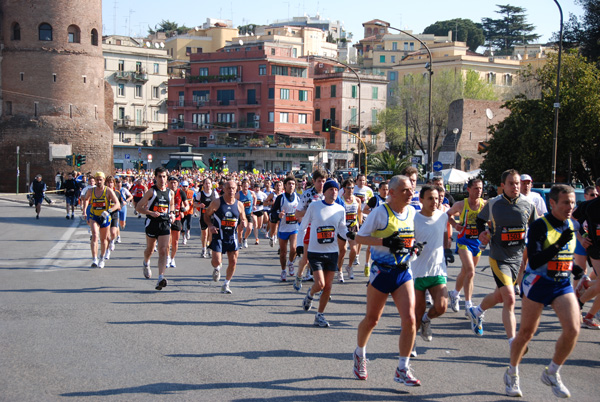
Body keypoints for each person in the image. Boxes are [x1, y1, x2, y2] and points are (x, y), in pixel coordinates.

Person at [504, 184, 581, 398]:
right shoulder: (540, 225)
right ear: (553, 203)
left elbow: (565, 253)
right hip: (538, 282)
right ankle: (512, 372)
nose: (570, 207)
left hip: (561, 283)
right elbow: (536, 259)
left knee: (574, 328)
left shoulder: (571, 225)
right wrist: (558, 246)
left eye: (573, 203)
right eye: (566, 202)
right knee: (527, 332)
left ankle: (552, 372)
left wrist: (573, 267)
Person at [353, 175, 423, 387]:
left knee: (410, 319)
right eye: (405, 190)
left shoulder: (412, 212)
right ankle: (360, 353)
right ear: (391, 192)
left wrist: (414, 247)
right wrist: (384, 241)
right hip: (382, 272)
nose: (410, 193)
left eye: (411, 189)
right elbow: (359, 238)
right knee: (372, 320)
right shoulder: (380, 212)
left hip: (403, 271)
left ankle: (402, 368)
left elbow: (411, 238)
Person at [467, 170, 537, 340]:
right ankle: (513, 342)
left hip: (517, 258)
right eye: (511, 183)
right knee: (510, 298)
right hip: (499, 257)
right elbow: (480, 221)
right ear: (503, 185)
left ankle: (476, 311)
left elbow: (535, 229)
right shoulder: (493, 203)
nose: (515, 187)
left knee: (499, 295)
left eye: (517, 183)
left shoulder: (528, 204)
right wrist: (483, 232)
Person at [300, 179, 348, 327]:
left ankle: (319, 315)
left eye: (336, 189)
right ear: (325, 192)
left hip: (332, 252)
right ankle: (310, 294)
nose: (334, 191)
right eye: (331, 189)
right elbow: (303, 226)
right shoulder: (314, 206)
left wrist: (350, 235)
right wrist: (300, 245)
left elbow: (342, 229)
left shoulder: (340, 209)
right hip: (315, 251)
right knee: (320, 284)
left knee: (328, 287)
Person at [412, 185, 448, 351]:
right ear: (421, 200)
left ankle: (427, 320)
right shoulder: (414, 219)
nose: (434, 201)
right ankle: (410, 345)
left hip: (437, 270)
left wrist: (448, 249)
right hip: (417, 272)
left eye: (437, 198)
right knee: (416, 314)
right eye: (430, 198)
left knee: (442, 306)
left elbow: (447, 233)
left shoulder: (443, 216)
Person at [446, 178, 486, 313]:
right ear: (468, 189)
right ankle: (468, 304)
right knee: (470, 271)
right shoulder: (460, 205)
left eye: (480, 188)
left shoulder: (484, 205)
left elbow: (491, 220)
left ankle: (455, 293)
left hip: (477, 242)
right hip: (464, 241)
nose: (479, 191)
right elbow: (448, 215)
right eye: (475, 188)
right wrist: (455, 225)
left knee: (465, 272)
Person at [204, 179, 248, 294]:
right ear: (224, 189)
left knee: (233, 262)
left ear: (236, 190)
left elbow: (244, 218)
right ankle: (217, 267)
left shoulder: (239, 205)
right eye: (228, 188)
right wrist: (210, 226)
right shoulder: (217, 202)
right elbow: (206, 215)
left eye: (233, 188)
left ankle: (226, 284)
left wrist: (244, 222)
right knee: (216, 261)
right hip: (218, 236)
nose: (231, 191)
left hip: (232, 237)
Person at [136, 167, 174, 290]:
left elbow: (171, 206)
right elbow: (138, 207)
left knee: (163, 250)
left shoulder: (170, 192)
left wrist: (172, 214)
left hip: (164, 223)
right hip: (152, 223)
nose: (162, 179)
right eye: (159, 176)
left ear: (167, 178)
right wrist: (150, 212)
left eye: (164, 176)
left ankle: (160, 277)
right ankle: (146, 262)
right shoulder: (151, 192)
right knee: (150, 250)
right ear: (155, 178)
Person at [293, 169, 328, 291]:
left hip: (323, 230)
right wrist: (311, 211)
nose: (321, 184)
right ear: (313, 181)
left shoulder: (328, 194)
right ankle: (299, 275)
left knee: (323, 258)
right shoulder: (307, 194)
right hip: (308, 229)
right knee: (306, 258)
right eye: (319, 181)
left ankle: (323, 288)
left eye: (324, 181)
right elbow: (297, 213)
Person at [573, 178, 600, 329]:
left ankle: (589, 317)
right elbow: (572, 218)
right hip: (595, 247)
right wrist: (581, 237)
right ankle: (578, 303)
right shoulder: (589, 206)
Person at [81, 172, 120, 269]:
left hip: (105, 218)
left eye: (100, 179)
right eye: (97, 179)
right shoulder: (91, 190)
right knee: (94, 235)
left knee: (103, 240)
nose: (98, 181)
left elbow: (117, 204)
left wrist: (108, 211)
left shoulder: (108, 191)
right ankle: (94, 259)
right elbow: (86, 199)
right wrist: (85, 211)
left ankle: (102, 258)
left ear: (103, 180)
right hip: (94, 216)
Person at [270, 177, 300, 282]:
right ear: (285, 186)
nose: (291, 185)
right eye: (289, 184)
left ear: (295, 186)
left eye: (293, 183)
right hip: (283, 228)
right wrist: (279, 214)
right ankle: (283, 270)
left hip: (294, 228)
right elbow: (273, 211)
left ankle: (291, 263)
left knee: (293, 249)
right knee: (283, 253)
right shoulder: (280, 198)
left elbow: (302, 211)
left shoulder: (298, 197)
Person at [362, 181, 389, 276]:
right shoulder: (375, 199)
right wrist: (374, 215)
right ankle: (367, 264)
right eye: (383, 189)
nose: (385, 191)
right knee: (370, 247)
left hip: (387, 227)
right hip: (375, 226)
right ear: (379, 190)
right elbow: (364, 210)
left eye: (387, 189)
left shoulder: (390, 200)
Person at [338, 178, 362, 282]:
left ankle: (349, 266)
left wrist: (360, 224)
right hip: (343, 228)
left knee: (354, 250)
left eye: (352, 188)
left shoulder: (357, 200)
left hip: (353, 227)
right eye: (348, 188)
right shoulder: (340, 200)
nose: (350, 190)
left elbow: (359, 212)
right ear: (344, 188)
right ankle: (339, 271)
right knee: (342, 251)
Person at [351, 174, 373, 266]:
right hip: (353, 215)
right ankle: (353, 252)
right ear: (356, 181)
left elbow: (372, 202)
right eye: (360, 180)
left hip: (364, 216)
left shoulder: (368, 190)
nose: (361, 182)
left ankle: (357, 255)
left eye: (363, 180)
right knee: (354, 236)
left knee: (360, 235)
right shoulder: (352, 189)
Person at [167, 176, 189, 268]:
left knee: (175, 242)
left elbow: (187, 205)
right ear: (168, 183)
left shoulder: (181, 193)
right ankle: (167, 258)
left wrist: (184, 209)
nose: (173, 185)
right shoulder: (166, 192)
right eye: (171, 182)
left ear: (177, 184)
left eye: (175, 183)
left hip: (177, 218)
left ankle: (172, 258)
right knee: (168, 241)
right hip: (167, 218)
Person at [195, 177, 219, 258]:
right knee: (204, 234)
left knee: (211, 233)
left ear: (211, 185)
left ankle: (209, 247)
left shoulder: (214, 194)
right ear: (204, 185)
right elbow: (194, 203)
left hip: (212, 216)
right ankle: (203, 249)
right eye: (206, 183)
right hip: (203, 216)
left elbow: (219, 203)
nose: (208, 185)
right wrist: (199, 205)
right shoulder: (200, 194)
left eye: (209, 183)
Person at [236, 179, 257, 249]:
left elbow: (255, 197)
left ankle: (245, 239)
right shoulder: (238, 194)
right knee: (240, 230)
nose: (245, 188)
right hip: (241, 214)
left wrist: (254, 205)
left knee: (250, 228)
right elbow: (234, 202)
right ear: (241, 186)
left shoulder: (251, 193)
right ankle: (239, 243)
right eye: (244, 186)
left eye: (246, 186)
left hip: (248, 213)